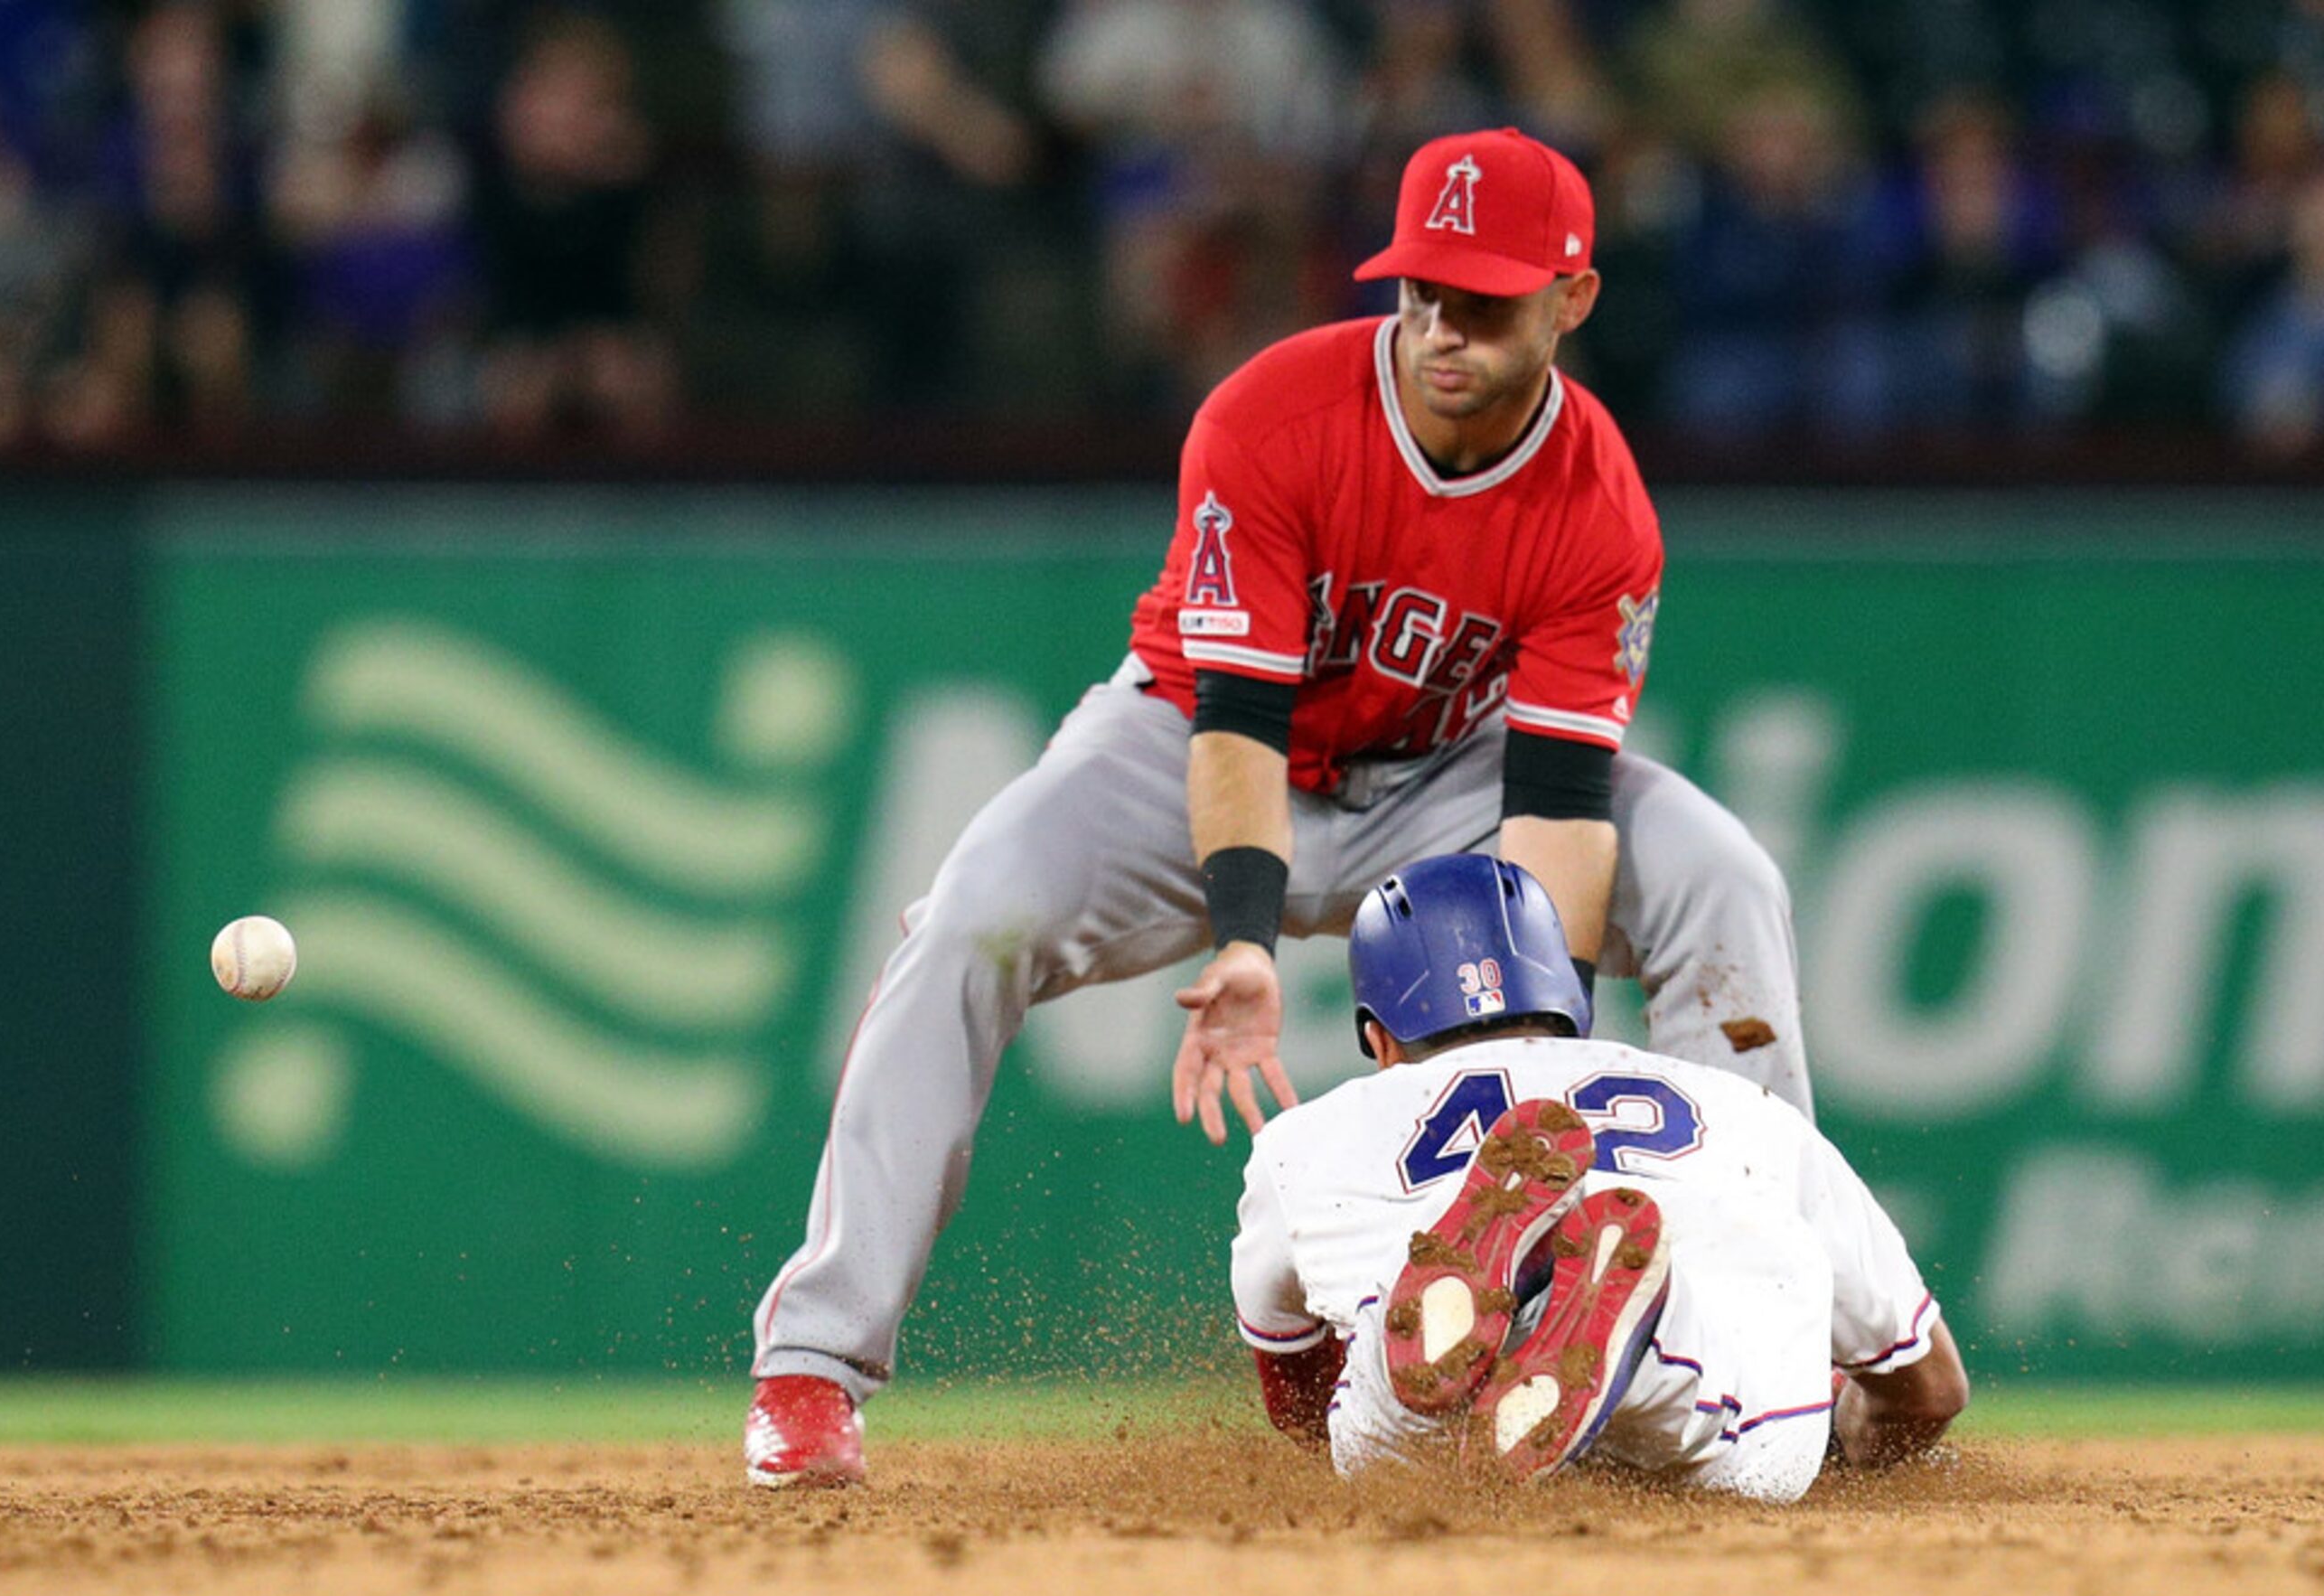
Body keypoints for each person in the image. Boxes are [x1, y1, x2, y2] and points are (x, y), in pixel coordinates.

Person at [745, 127, 1811, 1488]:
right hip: (1185, 742)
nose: (1439, 326)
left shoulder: (1596, 500)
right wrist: (1242, 935)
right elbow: (1236, 721)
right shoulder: (1272, 415)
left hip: (1449, 776)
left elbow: (1554, 807)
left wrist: (1522, 1056)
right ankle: (812, 1367)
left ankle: (1763, 1336)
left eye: (1481, 301)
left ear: (1572, 299)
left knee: (1722, 877)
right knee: (970, 922)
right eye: (1420, 288)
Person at [1232, 854, 1966, 1499]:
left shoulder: (1301, 1140)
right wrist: (1846, 1447)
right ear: (1568, 1002)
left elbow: (1295, 1396)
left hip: (1424, 1440)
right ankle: (1640, 1333)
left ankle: (1505, 1306)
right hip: (1706, 1420)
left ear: (1377, 1037)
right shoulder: (1747, 1109)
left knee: (1379, 1416)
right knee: (1716, 1412)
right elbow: (1928, 1393)